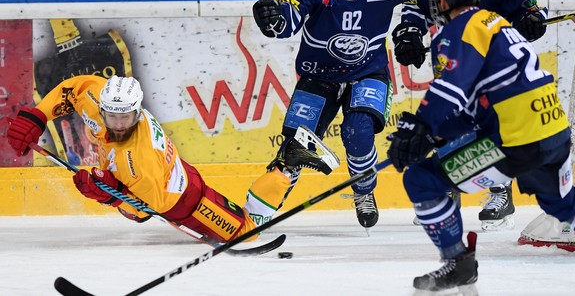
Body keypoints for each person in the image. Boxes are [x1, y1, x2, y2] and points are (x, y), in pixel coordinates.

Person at [252, 0, 508, 230]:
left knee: (358, 131)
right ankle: (259, 211)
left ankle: (363, 192)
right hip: (318, 76)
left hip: (367, 72)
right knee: (295, 144)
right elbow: (286, 19)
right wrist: (273, 17)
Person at [387, 0, 575, 292]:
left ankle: (458, 264)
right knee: (561, 204)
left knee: (421, 180)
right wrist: (433, 134)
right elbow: (477, 106)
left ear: (445, 0)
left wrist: (421, 125)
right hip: (553, 129)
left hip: (515, 139)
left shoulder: (461, 29)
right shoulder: (498, 23)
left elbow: (452, 90)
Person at [5, 75, 332, 243]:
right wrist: (37, 116)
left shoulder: (139, 157)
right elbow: (71, 89)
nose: (117, 124)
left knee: (248, 232)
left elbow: (151, 206)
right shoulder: (96, 99)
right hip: (164, 176)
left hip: (185, 200)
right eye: (111, 116)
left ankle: (288, 161)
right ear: (102, 108)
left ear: (137, 112)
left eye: (125, 118)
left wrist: (105, 191)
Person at [391, 0, 548, 230]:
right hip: (453, 55)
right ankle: (447, 191)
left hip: (492, 63)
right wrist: (408, 32)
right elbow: (416, 6)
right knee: (448, 118)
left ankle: (500, 189)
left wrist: (529, 21)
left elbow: (526, 8)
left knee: (490, 121)